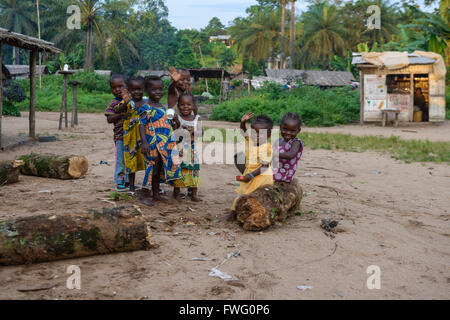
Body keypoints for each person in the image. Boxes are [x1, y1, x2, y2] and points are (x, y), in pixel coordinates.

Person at [138, 76, 182, 206]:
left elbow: (169, 126)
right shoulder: (145, 108)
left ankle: (156, 194)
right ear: (146, 91)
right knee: (151, 169)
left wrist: (176, 121)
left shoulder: (163, 108)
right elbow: (141, 125)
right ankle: (143, 194)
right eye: (154, 89)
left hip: (165, 145)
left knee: (158, 169)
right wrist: (144, 142)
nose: (158, 92)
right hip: (151, 144)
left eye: (160, 89)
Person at [230, 113, 274, 211]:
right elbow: (243, 132)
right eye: (254, 132)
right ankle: (234, 212)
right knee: (242, 193)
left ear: (268, 135)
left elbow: (265, 166)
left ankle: (234, 212)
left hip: (260, 178)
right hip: (250, 174)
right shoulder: (251, 141)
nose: (256, 136)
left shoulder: (266, 148)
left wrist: (251, 176)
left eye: (261, 134)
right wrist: (243, 122)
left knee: (248, 196)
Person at [173, 93, 202, 202]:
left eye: (189, 104)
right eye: (182, 104)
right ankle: (177, 193)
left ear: (194, 106)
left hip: (193, 151)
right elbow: (174, 135)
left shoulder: (197, 118)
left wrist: (194, 130)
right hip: (180, 150)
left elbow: (201, 133)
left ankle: (194, 194)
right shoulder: (178, 118)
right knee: (179, 170)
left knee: (194, 171)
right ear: (178, 106)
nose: (185, 107)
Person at [105, 74, 130, 191]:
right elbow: (109, 119)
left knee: (130, 159)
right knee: (121, 159)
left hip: (132, 137)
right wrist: (121, 111)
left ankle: (129, 181)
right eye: (114, 88)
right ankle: (120, 181)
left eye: (120, 86)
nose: (118, 89)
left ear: (127, 86)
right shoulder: (113, 103)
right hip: (120, 136)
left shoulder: (132, 100)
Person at [123, 76, 146, 194]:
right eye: (133, 89)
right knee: (131, 162)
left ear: (144, 89)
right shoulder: (127, 103)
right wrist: (124, 103)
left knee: (148, 161)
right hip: (130, 138)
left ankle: (148, 186)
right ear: (129, 90)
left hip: (145, 138)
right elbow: (118, 111)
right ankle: (131, 187)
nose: (137, 92)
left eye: (139, 89)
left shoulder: (147, 103)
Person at [273, 112, 304, 183]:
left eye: (292, 131)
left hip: (284, 176)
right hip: (273, 171)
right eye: (285, 129)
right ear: (280, 127)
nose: (288, 133)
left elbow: (290, 155)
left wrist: (272, 153)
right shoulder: (278, 141)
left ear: (298, 131)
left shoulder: (295, 142)